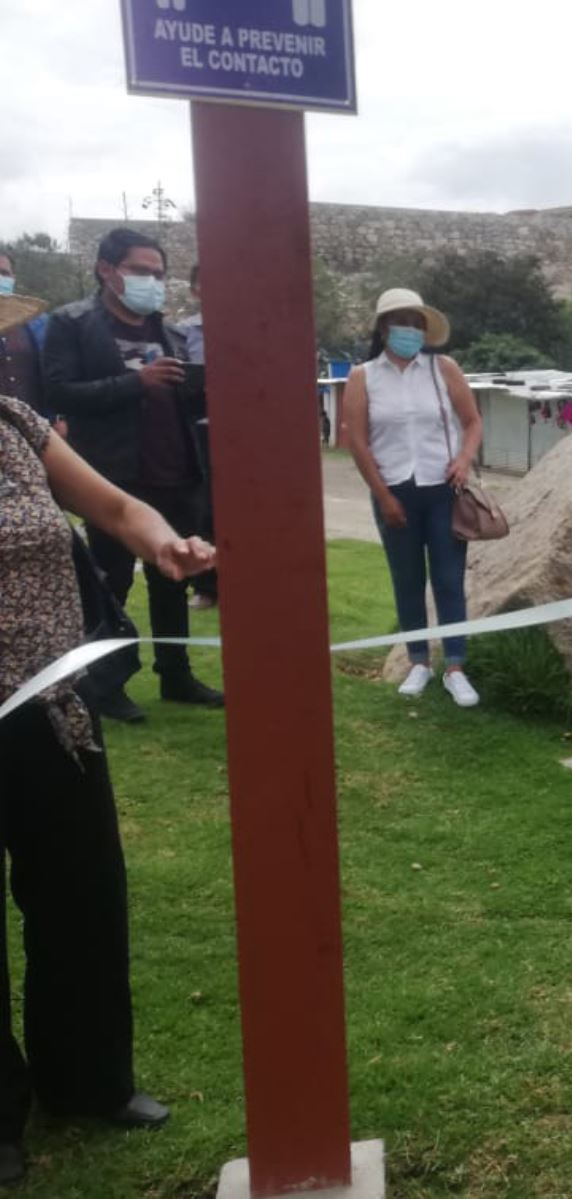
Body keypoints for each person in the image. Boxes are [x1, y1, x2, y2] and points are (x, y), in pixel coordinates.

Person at [0, 290, 209, 1187]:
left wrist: (167, 543)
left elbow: (120, 509)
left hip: (51, 710)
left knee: (82, 895)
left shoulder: (13, 423)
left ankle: (87, 1082)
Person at [41, 228, 221, 724]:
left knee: (176, 577)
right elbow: (59, 391)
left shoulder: (170, 330)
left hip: (177, 471)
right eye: (142, 272)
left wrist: (206, 387)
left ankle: (176, 674)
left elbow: (182, 401)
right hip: (113, 478)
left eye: (160, 275)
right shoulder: (71, 324)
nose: (154, 283)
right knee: (111, 584)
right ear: (106, 270)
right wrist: (133, 382)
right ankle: (105, 682)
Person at [339, 288, 484, 708]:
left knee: (448, 579)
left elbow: (472, 421)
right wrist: (382, 495)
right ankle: (418, 661)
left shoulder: (444, 368)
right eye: (402, 321)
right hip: (394, 491)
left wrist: (464, 458)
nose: (411, 330)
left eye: (417, 323)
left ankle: (456, 665)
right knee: (407, 580)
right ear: (385, 327)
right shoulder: (363, 376)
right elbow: (358, 442)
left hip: (444, 489)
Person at [174, 264, 217, 611]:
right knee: (204, 509)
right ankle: (207, 587)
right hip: (198, 429)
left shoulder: (251, 329)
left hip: (245, 433)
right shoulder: (182, 333)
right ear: (194, 291)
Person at [0, 255, 48, 426]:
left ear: (13, 278)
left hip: (35, 426)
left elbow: (53, 373)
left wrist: (58, 417)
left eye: (4, 273)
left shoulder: (38, 322)